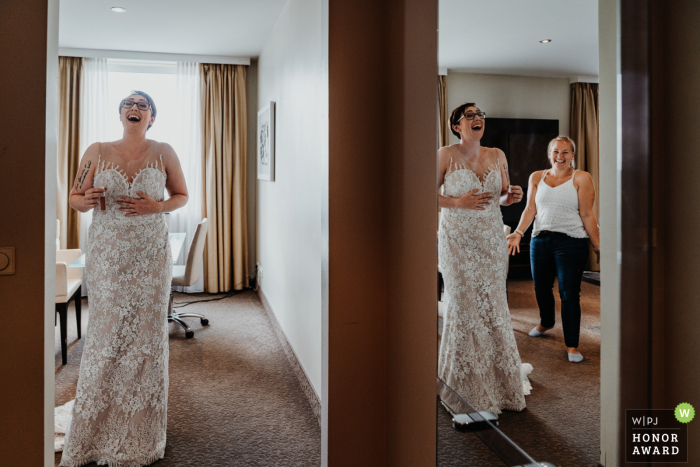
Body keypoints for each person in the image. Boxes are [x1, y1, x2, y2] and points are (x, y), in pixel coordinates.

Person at [57, 91, 188, 466]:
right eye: (128, 104)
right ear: (120, 114)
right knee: (108, 332)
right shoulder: (96, 150)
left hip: (150, 253)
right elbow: (74, 197)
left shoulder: (164, 151)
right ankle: (96, 425)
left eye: (142, 105)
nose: (135, 108)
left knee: (145, 336)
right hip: (108, 253)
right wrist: (85, 199)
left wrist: (158, 206)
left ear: (152, 117)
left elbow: (181, 195)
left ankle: (140, 430)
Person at [438, 102, 532, 414]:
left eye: (480, 115)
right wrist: (456, 201)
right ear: (457, 126)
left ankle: (500, 385)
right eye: (470, 115)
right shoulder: (445, 155)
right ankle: (464, 386)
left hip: (491, 240)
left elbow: (503, 194)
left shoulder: (497, 154)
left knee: (492, 304)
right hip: (457, 241)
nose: (478, 119)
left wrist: (512, 196)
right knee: (465, 304)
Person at [506, 136, 600, 363]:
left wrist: (598, 245)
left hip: (571, 241)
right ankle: (546, 322)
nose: (560, 156)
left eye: (566, 152)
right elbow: (530, 209)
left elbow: (587, 214)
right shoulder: (537, 176)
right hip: (540, 240)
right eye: (556, 152)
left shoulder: (581, 178)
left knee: (569, 294)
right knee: (540, 288)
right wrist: (518, 232)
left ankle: (572, 346)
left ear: (573, 155)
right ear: (549, 153)